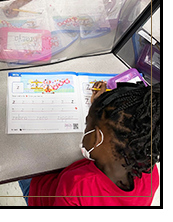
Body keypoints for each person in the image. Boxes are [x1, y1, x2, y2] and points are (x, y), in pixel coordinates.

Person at [18, 81, 160, 206]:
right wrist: (102, 110)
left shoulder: (77, 187)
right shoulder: (149, 170)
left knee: (18, 163)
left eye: (87, 124)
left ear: (98, 137)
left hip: (40, 193)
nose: (86, 128)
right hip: (62, 177)